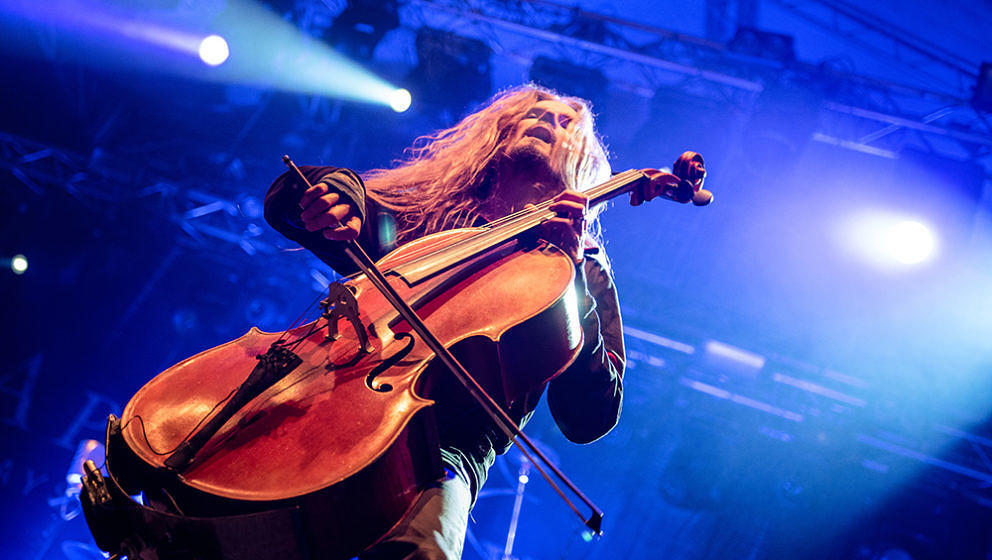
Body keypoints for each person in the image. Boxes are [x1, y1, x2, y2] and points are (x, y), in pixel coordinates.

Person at [264, 84, 693, 559]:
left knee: (423, 551)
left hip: (437, 450)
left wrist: (571, 277)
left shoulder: (586, 265)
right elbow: (292, 199)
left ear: (584, 163)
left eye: (565, 124)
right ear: (502, 132)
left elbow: (590, 416)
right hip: (323, 398)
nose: (547, 122)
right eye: (535, 115)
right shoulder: (427, 213)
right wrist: (337, 194)